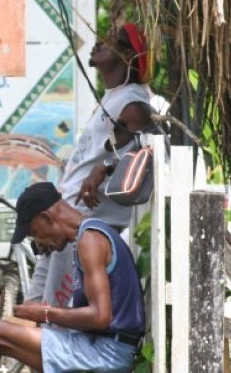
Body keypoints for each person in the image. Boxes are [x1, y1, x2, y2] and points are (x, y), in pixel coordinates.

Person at [25, 23, 163, 307]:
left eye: (112, 40)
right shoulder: (112, 98)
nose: (99, 43)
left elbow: (155, 147)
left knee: (52, 314)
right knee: (34, 305)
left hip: (80, 225)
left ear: (129, 56)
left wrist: (107, 166)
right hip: (62, 218)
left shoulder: (134, 101)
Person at [0, 182, 145, 373]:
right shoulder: (88, 235)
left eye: (35, 232)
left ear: (47, 217)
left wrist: (45, 314)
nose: (39, 242)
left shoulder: (90, 241)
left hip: (108, 353)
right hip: (101, 346)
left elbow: (100, 317)